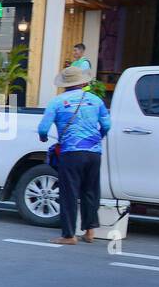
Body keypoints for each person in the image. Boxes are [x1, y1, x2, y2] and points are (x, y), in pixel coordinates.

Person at [37, 64, 110, 245]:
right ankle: (90, 231)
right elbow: (107, 125)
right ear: (82, 82)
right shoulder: (96, 100)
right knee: (90, 191)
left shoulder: (57, 101)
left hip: (71, 153)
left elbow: (43, 128)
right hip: (94, 153)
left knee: (69, 192)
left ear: (64, 84)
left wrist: (43, 137)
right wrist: (97, 138)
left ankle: (69, 235)